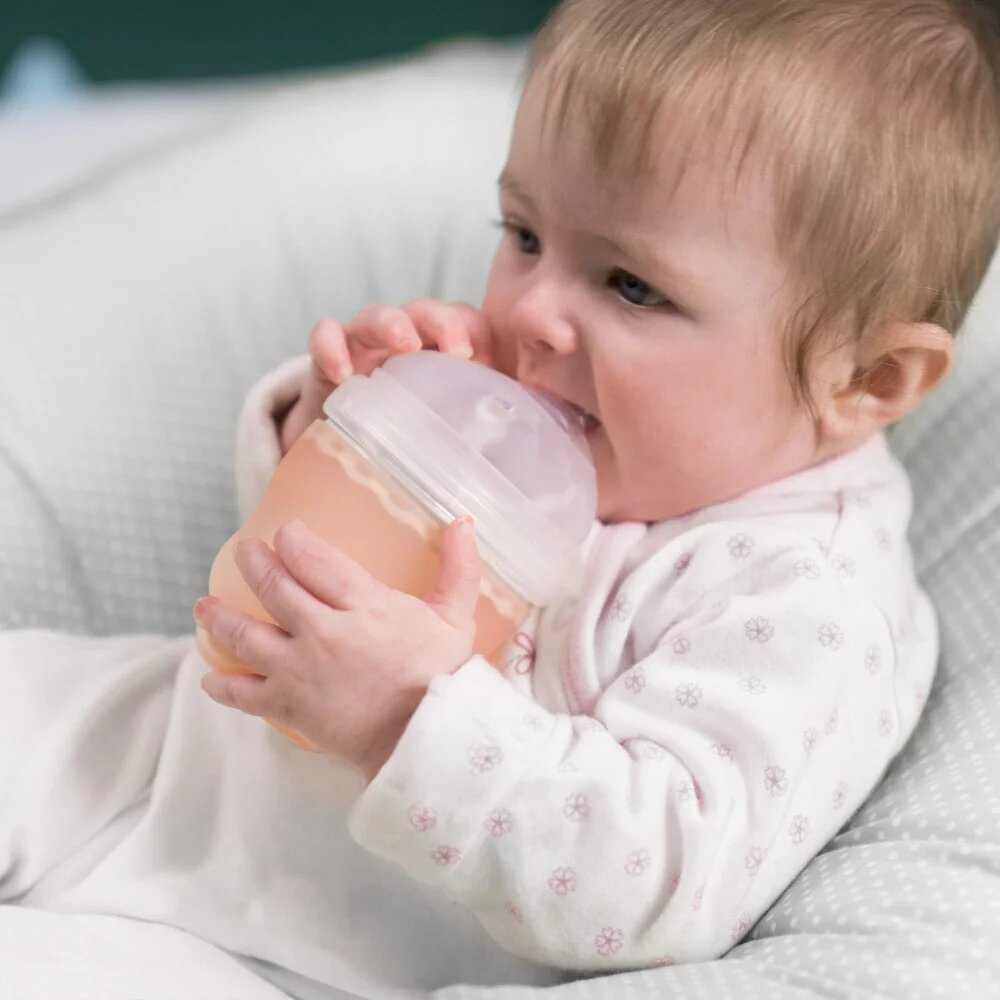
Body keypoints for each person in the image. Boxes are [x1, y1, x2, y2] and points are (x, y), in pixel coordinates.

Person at [3, 0, 1000, 994]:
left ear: (866, 379)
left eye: (632, 286)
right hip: (155, 747)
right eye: (522, 233)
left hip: (296, 942)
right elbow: (285, 565)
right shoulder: (557, 414)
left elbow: (652, 886)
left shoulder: (804, 602)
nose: (530, 311)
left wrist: (410, 715)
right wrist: (339, 423)